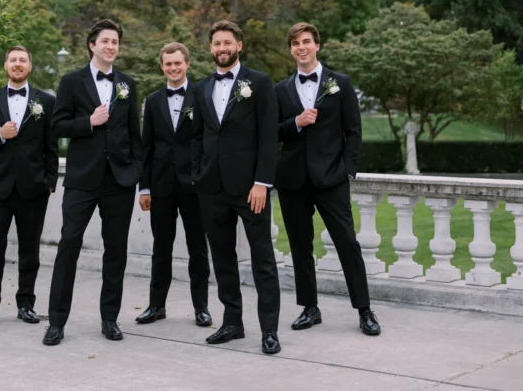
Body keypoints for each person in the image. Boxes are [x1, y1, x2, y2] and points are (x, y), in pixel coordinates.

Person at [275, 22, 380, 336]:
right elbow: (272, 131)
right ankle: (310, 308)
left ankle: (364, 310)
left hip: (332, 178)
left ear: (316, 45)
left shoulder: (341, 83)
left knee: (347, 244)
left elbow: (354, 131)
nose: (301, 48)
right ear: (291, 49)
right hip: (293, 181)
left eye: (306, 42)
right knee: (300, 246)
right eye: (295, 44)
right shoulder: (280, 89)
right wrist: (296, 121)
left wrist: (348, 170)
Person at [43, 19, 143, 345]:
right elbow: (57, 126)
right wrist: (89, 122)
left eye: (115, 41)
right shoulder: (71, 81)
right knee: (68, 245)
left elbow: (134, 134)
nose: (111, 46)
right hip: (82, 179)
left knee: (115, 252)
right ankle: (56, 322)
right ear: (92, 44)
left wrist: (135, 170)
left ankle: (110, 319)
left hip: (119, 181)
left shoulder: (128, 84)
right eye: (105, 41)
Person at [192, 19, 282, 355]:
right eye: (216, 43)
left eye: (227, 42)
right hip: (211, 188)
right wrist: (197, 175)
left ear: (239, 45)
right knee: (222, 258)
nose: (221, 48)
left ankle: (269, 330)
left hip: (250, 189)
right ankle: (232, 323)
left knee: (262, 259)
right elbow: (199, 137)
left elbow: (269, 137)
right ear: (211, 48)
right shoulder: (201, 88)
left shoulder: (258, 83)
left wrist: (262, 182)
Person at [0, 45, 58, 328]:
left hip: (34, 188)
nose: (18, 64)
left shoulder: (46, 101)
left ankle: (25, 304)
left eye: (23, 60)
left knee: (29, 250)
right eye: (13, 60)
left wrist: (50, 182)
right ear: (6, 66)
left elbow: (51, 146)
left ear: (30, 66)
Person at [136, 42, 212, 328]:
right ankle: (156, 306)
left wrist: (203, 178)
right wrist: (144, 187)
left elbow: (207, 141)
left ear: (187, 64)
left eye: (177, 63)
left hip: (194, 186)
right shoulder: (153, 100)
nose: (173, 68)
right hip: (161, 186)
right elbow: (147, 147)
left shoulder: (201, 95)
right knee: (161, 248)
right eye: (168, 64)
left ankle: (201, 307)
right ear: (162, 67)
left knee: (198, 249)